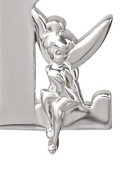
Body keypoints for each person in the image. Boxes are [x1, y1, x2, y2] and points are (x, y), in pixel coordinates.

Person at [32, 9, 88, 154]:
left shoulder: (65, 69)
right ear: (50, 53)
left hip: (68, 97)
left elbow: (73, 85)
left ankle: (54, 139)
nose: (62, 56)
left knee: (57, 106)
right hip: (57, 94)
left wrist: (81, 103)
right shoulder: (49, 68)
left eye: (65, 53)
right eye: (58, 53)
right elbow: (53, 86)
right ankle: (50, 124)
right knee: (43, 94)